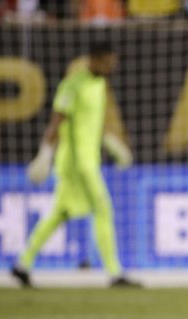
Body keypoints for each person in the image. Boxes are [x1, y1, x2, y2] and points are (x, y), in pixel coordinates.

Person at [11, 41, 140, 288]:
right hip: (76, 163)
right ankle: (114, 273)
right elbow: (56, 120)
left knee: (60, 213)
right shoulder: (73, 84)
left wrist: (112, 143)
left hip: (88, 159)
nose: (112, 66)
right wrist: (44, 153)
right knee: (103, 208)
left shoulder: (99, 84)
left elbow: (92, 122)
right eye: (109, 61)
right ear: (96, 59)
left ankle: (22, 264)